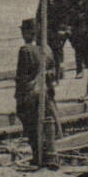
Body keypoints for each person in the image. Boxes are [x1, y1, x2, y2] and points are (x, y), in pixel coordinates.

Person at [15, 18, 57, 168]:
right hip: (45, 93)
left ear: (28, 32)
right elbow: (54, 73)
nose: (22, 34)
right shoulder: (47, 50)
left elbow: (22, 76)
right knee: (45, 124)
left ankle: (37, 155)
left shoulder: (25, 50)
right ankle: (46, 153)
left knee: (30, 126)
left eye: (23, 31)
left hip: (29, 93)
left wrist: (18, 95)